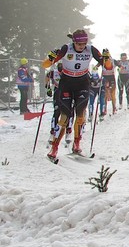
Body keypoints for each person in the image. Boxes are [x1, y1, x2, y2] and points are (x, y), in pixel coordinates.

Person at [42, 29, 107, 160]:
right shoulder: (66, 48)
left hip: (82, 83)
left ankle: (77, 144)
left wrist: (106, 58)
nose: (81, 46)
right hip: (66, 83)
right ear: (74, 42)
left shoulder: (91, 49)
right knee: (64, 116)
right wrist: (50, 57)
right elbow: (45, 65)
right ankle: (54, 148)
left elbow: (108, 66)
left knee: (80, 115)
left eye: (84, 43)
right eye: (79, 44)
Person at [100, 49, 118, 113]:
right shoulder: (101, 60)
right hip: (105, 78)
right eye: (104, 55)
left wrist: (120, 67)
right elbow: (95, 67)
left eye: (106, 55)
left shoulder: (113, 60)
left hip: (112, 78)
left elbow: (120, 65)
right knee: (105, 94)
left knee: (113, 94)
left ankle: (114, 108)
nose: (105, 57)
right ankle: (105, 109)